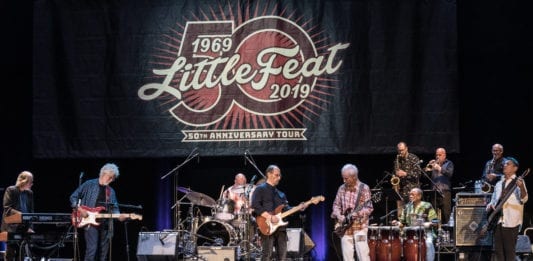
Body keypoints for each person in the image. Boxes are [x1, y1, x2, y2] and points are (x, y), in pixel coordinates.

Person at [69, 163, 126, 261]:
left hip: (105, 224)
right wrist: (80, 209)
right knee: (92, 250)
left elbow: (115, 208)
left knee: (103, 253)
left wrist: (119, 216)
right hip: (90, 222)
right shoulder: (89, 184)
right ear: (103, 174)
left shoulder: (111, 191)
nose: (111, 180)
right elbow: (73, 197)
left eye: (113, 178)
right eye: (110, 177)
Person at [251, 165, 305, 261]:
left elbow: (286, 209)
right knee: (267, 255)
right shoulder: (260, 189)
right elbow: (255, 205)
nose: (279, 178)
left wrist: (298, 208)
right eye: (277, 175)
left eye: (280, 176)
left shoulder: (281, 194)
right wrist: (270, 217)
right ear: (269, 174)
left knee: (282, 256)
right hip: (267, 226)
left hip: (281, 228)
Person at [486, 157, 528, 261]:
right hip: (498, 221)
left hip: (511, 221)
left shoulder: (518, 182)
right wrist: (490, 205)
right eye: (504, 164)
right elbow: (494, 200)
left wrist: (521, 187)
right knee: (498, 252)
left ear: (515, 168)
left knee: (509, 253)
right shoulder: (499, 184)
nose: (504, 165)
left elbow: (524, 199)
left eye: (508, 164)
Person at [331, 164, 374, 261]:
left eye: (346, 178)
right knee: (347, 257)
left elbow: (369, 208)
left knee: (363, 255)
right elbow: (336, 205)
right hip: (345, 228)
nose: (344, 181)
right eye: (343, 178)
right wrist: (339, 215)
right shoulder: (341, 188)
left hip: (360, 227)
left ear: (354, 177)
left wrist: (358, 213)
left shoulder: (364, 188)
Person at [393, 188, 437, 261]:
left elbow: (435, 222)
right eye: (410, 194)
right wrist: (397, 223)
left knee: (428, 244)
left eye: (412, 194)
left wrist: (427, 224)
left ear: (419, 196)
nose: (410, 196)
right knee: (398, 243)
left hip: (425, 233)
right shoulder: (407, 207)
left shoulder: (427, 205)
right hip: (410, 234)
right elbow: (402, 223)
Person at [1, 171, 34, 261]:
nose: (32, 184)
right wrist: (21, 215)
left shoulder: (30, 193)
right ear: (23, 181)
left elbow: (31, 212)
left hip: (24, 228)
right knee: (10, 254)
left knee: (21, 255)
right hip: (10, 227)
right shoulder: (11, 190)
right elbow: (7, 208)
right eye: (30, 181)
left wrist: (30, 226)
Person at [393, 141, 423, 215]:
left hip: (413, 191)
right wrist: (395, 175)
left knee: (413, 214)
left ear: (406, 149)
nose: (401, 152)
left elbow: (418, 174)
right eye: (399, 150)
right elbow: (394, 174)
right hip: (401, 192)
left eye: (402, 150)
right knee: (401, 215)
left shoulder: (414, 158)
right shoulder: (397, 160)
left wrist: (405, 174)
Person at [427, 147, 454, 224]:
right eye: (436, 155)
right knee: (433, 215)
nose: (437, 157)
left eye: (439, 155)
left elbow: (449, 174)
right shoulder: (433, 164)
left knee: (446, 214)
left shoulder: (449, 163)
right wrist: (428, 167)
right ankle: (434, 232)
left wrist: (439, 168)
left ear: (444, 155)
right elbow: (426, 176)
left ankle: (447, 233)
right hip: (434, 192)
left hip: (445, 192)